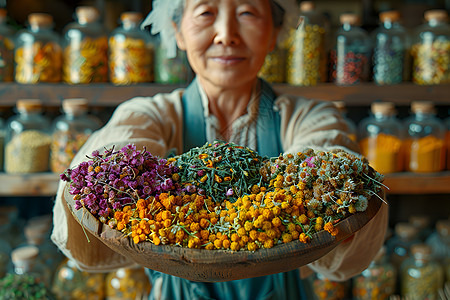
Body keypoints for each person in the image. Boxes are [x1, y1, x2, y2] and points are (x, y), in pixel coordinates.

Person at [51, 0, 389, 299]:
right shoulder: (150, 115)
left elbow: (332, 162)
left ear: (275, 32)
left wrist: (325, 190)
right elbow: (97, 172)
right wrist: (121, 179)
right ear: (177, 31)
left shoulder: (310, 116)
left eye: (247, 12)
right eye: (205, 12)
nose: (226, 34)